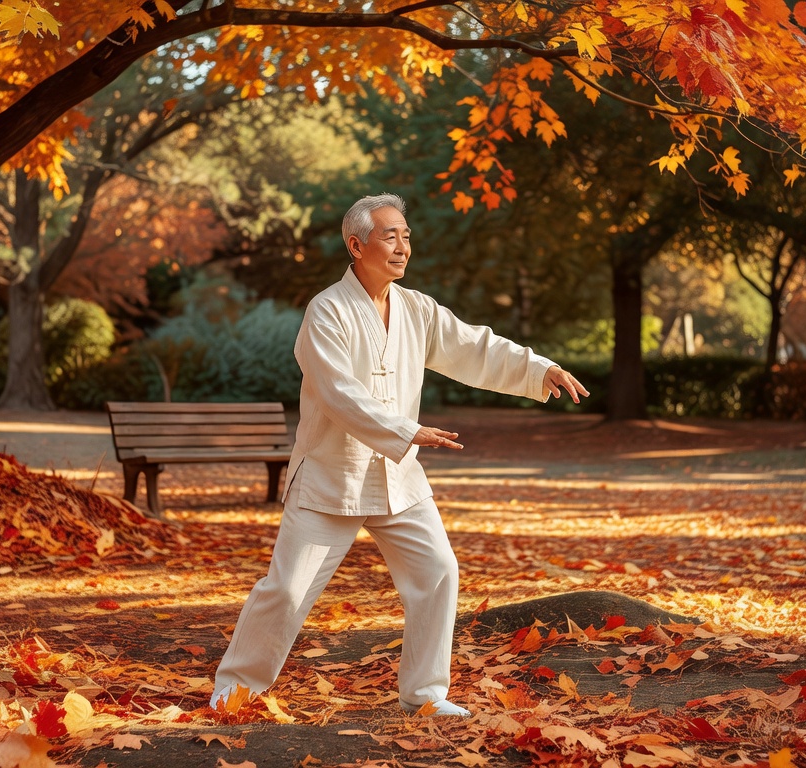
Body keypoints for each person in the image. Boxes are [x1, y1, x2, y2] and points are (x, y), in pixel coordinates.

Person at [209, 193, 588, 717]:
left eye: (406, 236)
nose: (403, 246)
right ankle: (236, 688)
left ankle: (426, 694)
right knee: (288, 590)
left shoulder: (416, 309)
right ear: (356, 245)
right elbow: (338, 392)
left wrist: (537, 368)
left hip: (397, 478)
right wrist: (407, 430)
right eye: (390, 236)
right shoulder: (326, 311)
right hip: (331, 477)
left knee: (438, 571)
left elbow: (474, 346)